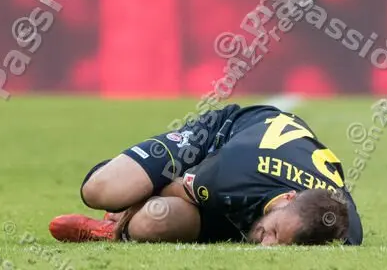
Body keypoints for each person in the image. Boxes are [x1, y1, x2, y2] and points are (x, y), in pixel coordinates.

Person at [50, 102, 363, 246]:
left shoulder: (339, 221)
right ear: (288, 199)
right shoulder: (233, 173)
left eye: (284, 244)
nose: (267, 245)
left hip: (235, 193)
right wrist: (126, 211)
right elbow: (175, 189)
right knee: (102, 190)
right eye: (274, 232)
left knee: (155, 221)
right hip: (214, 141)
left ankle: (118, 231)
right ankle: (116, 219)